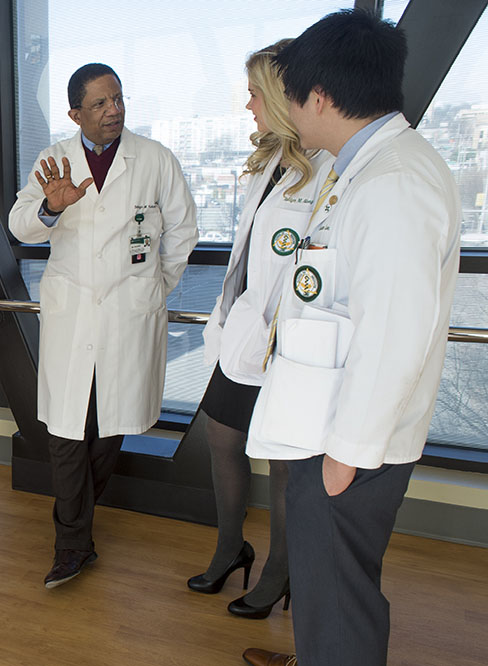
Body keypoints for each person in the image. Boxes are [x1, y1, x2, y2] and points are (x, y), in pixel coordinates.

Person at [241, 10, 460, 666]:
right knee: (324, 592)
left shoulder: (393, 181)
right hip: (327, 428)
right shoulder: (362, 166)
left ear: (323, 98)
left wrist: (346, 454)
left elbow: (395, 329)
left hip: (347, 446)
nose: (288, 112)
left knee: (339, 602)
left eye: (293, 96)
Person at [8, 64, 197, 589]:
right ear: (75, 114)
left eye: (117, 99)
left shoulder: (154, 159)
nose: (114, 109)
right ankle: (71, 544)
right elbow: (19, 224)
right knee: (67, 430)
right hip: (73, 314)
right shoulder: (54, 160)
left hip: (128, 313)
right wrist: (50, 206)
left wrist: (157, 286)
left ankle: (76, 527)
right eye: (100, 103)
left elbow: (182, 229)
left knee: (107, 428)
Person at [188, 40, 336, 620]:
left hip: (285, 346)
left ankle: (279, 567)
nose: (248, 105)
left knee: (281, 459)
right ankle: (232, 545)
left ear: (280, 94)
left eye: (254, 93)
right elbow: (247, 258)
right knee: (221, 436)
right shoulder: (270, 162)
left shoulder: (325, 168)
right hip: (243, 332)